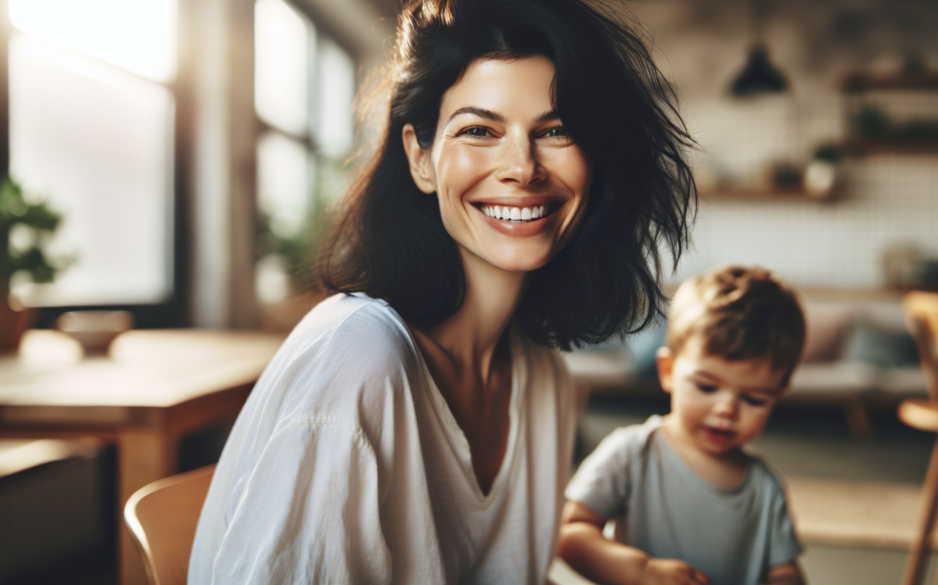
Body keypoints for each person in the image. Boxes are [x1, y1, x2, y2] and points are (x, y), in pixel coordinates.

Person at [189, 0, 695, 583]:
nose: (522, 167)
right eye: (480, 130)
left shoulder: (544, 377)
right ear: (421, 158)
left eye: (556, 130)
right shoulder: (358, 359)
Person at [558, 266, 807, 585]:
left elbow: (784, 571)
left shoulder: (765, 488)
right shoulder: (632, 453)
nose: (726, 409)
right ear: (668, 371)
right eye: (706, 387)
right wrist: (642, 573)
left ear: (777, 397)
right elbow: (570, 534)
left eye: (754, 399)